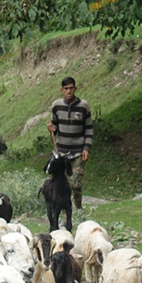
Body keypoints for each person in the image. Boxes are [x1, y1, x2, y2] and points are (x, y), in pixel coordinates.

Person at [50, 75, 93, 211]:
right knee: (62, 184)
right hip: (61, 152)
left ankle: (78, 208)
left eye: (71, 88)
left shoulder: (83, 106)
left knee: (75, 184)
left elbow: (89, 128)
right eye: (66, 88)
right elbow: (55, 125)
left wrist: (86, 148)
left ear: (75, 89)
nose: (69, 91)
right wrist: (52, 128)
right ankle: (65, 211)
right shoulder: (57, 106)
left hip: (78, 152)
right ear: (62, 90)